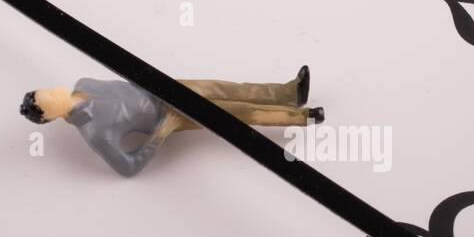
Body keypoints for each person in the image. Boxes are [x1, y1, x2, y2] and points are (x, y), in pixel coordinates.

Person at [19, 66, 322, 177]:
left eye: (46, 91)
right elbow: (128, 167)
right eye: (48, 99)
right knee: (236, 113)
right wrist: (163, 131)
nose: (53, 92)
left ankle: (289, 92)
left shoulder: (85, 82)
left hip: (165, 87)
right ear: (50, 116)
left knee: (226, 88)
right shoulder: (94, 132)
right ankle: (300, 118)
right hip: (168, 114)